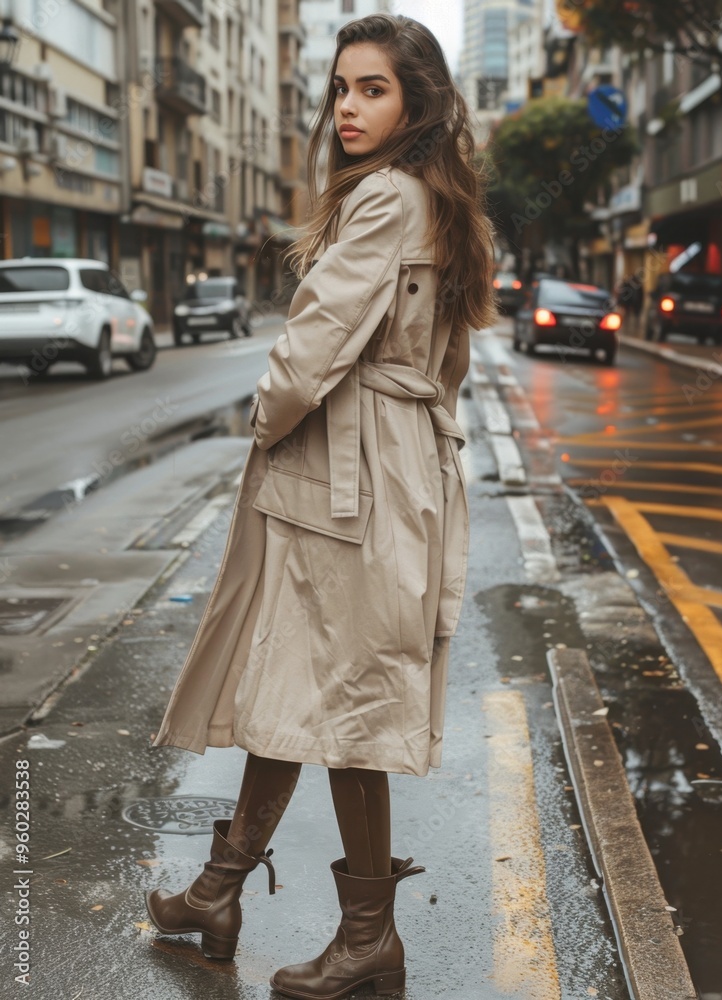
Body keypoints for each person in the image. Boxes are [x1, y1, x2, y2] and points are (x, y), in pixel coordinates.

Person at [144, 13, 496, 999]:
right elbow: (448, 363)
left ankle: (369, 937)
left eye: (372, 89)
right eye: (341, 87)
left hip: (348, 485)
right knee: (292, 680)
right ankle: (218, 889)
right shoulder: (438, 200)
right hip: (387, 472)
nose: (346, 106)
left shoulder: (385, 198)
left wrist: (264, 421)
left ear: (415, 102)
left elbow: (310, 349)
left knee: (342, 703)